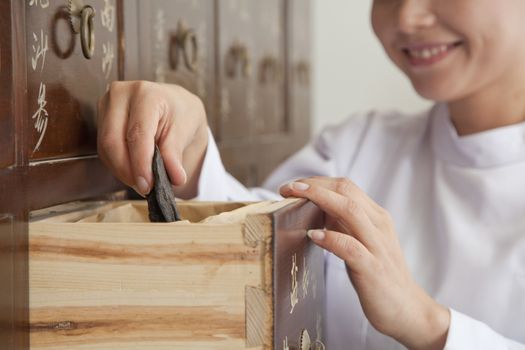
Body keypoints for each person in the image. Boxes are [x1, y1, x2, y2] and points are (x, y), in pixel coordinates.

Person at [97, 0, 525, 349]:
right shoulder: (359, 145)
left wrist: (428, 325)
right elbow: (259, 229)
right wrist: (190, 151)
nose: (408, 17)